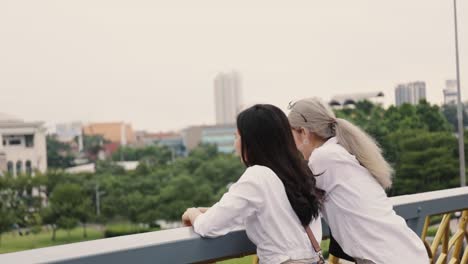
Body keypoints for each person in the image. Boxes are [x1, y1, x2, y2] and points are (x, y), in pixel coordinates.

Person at [287, 98, 429, 264]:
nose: (293, 146)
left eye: (292, 137)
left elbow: (293, 196)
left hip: (383, 258)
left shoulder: (323, 158)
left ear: (304, 132)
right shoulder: (340, 152)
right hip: (402, 252)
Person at [182, 104, 325, 264]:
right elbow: (276, 212)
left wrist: (192, 213)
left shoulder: (257, 175)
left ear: (252, 141)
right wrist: (210, 210)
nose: (234, 144)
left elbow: (208, 226)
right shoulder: (299, 171)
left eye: (237, 136)